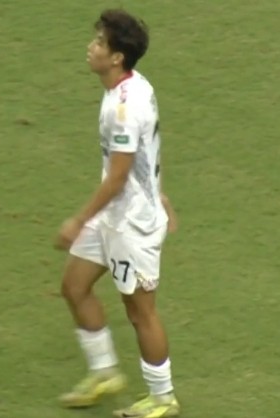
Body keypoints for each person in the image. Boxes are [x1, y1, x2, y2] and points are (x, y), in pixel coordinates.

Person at [54, 8, 180, 418]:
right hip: (113, 215)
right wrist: (160, 192)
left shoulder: (123, 109)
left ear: (116, 57)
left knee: (140, 312)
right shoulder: (135, 86)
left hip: (131, 225)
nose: (90, 47)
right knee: (74, 286)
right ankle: (104, 372)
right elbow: (149, 151)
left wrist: (78, 220)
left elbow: (120, 176)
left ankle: (162, 398)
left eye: (99, 43)